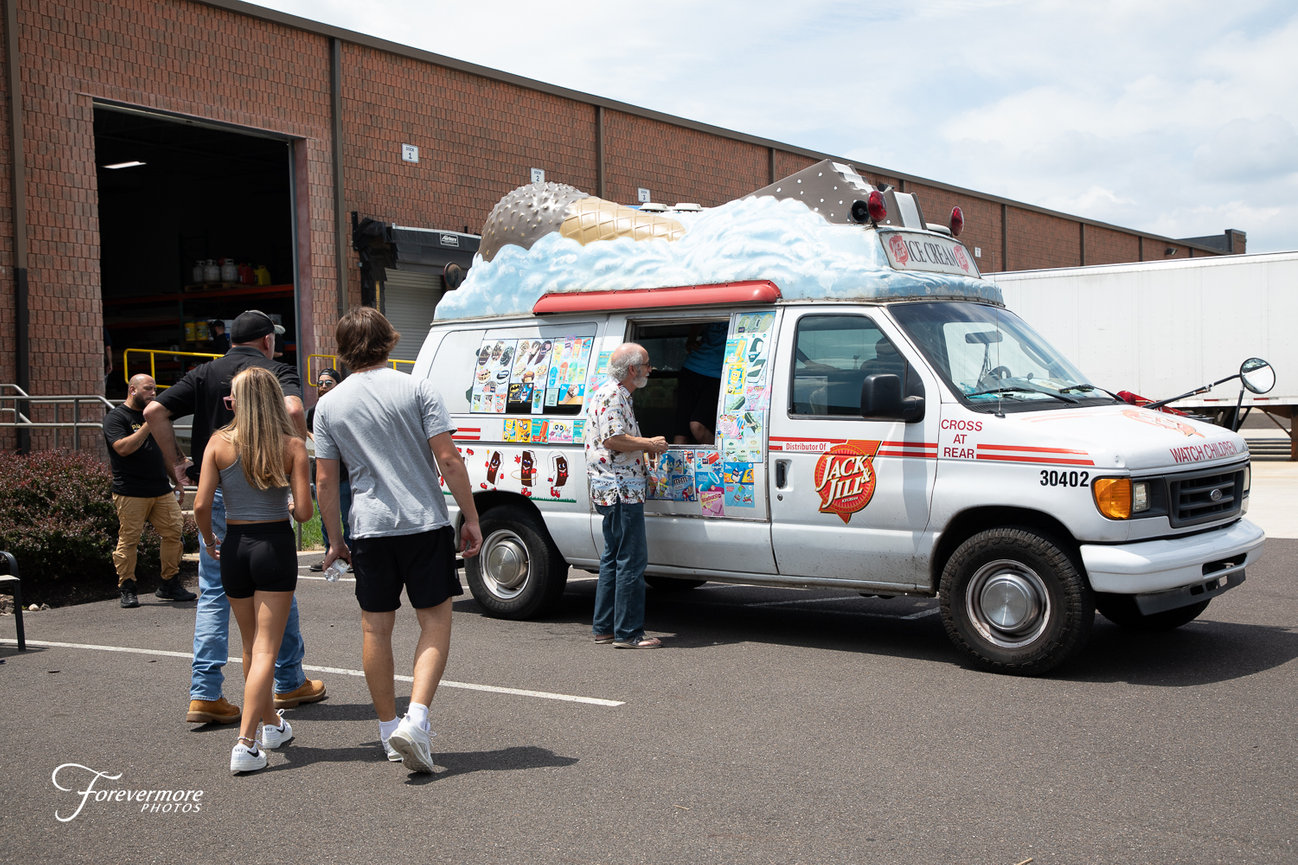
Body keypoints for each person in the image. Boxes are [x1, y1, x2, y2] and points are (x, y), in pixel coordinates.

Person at [314, 307, 482, 772]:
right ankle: (418, 718)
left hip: (369, 528)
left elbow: (325, 481)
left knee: (375, 629)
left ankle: (389, 729)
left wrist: (335, 540)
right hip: (424, 523)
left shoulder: (329, 404)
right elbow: (449, 460)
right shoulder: (418, 388)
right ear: (389, 340)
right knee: (435, 622)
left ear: (343, 349)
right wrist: (471, 518)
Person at [144, 309, 325, 725]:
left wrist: (177, 462)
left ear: (230, 341)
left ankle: (205, 693)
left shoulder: (204, 373)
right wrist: (295, 454)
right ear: (267, 341)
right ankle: (287, 680)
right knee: (276, 591)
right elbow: (293, 409)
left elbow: (154, 411)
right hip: (267, 501)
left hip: (221, 493)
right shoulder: (276, 371)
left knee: (213, 593)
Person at [194, 367, 313, 775]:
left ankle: (272, 725)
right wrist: (292, 504)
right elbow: (305, 512)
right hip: (273, 545)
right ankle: (245, 743)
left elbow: (200, 505)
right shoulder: (292, 445)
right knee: (265, 650)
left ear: (239, 401)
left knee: (250, 647)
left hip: (234, 547)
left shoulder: (218, 442)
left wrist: (209, 540)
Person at [585, 342, 668, 648]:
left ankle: (605, 628)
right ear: (633, 369)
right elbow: (614, 439)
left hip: (614, 487)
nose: (650, 370)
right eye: (647, 364)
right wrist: (650, 444)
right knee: (631, 559)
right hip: (621, 488)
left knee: (613, 558)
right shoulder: (612, 395)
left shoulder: (615, 394)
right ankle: (628, 633)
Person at [102, 374, 195, 608]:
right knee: (129, 540)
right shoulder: (116, 417)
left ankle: (169, 583)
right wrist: (148, 424)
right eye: (147, 389)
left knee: (174, 532)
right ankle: (127, 587)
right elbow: (123, 448)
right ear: (132, 390)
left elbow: (163, 452)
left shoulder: (155, 416)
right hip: (130, 491)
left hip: (160, 489)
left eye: (154, 389)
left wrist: (177, 481)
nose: (153, 393)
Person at [306, 367, 351, 571]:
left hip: (344, 473)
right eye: (320, 383)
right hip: (322, 472)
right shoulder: (315, 410)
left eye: (328, 383)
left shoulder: (345, 407)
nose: (323, 386)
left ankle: (351, 555)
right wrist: (316, 438)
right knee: (326, 518)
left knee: (348, 517)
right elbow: (306, 427)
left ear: (338, 385)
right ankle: (329, 554)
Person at [673, 321, 726, 444]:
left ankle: (727, 455)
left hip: (718, 376)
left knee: (698, 427)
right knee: (680, 435)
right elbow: (697, 320)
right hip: (691, 368)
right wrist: (691, 339)